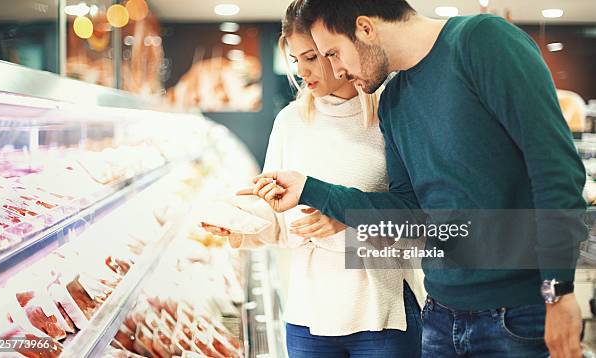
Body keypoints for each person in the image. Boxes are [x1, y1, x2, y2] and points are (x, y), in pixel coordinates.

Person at [246, 1, 588, 357]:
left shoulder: (481, 40)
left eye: (332, 53)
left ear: (365, 28)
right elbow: (408, 210)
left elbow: (555, 168)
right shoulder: (394, 100)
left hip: (516, 316)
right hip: (439, 316)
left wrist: (558, 289)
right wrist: (309, 189)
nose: (337, 69)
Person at [201, 2, 425, 357]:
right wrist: (241, 222)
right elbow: (284, 225)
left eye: (313, 56)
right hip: (310, 317)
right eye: (296, 61)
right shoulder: (290, 122)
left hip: (381, 315)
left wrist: (342, 225)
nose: (303, 71)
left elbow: (415, 226)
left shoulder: (391, 116)